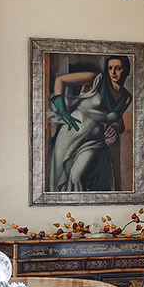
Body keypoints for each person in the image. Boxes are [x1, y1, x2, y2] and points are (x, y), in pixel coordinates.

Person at [49, 52, 133, 192]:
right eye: (110, 67)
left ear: (126, 70)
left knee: (76, 176)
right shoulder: (97, 79)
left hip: (95, 138)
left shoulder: (126, 97)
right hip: (72, 133)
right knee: (61, 177)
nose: (113, 72)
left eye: (118, 68)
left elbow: (116, 117)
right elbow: (60, 81)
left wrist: (115, 126)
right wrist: (63, 112)